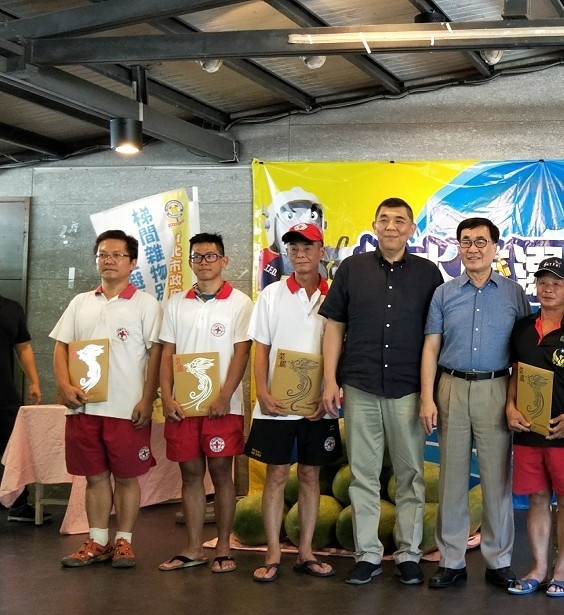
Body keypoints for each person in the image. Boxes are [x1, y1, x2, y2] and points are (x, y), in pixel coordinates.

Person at [320, 198, 443, 585]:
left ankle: (408, 553)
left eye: (400, 220)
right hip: (360, 385)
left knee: (410, 475)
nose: (392, 226)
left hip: (407, 388)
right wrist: (329, 379)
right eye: (385, 219)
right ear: (374, 225)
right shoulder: (352, 269)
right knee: (363, 476)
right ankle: (367, 554)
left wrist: (429, 394)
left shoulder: (428, 274)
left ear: (411, 229)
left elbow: (435, 337)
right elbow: (334, 326)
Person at [420, 217, 531, 589]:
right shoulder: (444, 293)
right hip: (450, 386)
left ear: (495, 247)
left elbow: (525, 352)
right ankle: (451, 560)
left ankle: (498, 560)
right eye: (465, 241)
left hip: (497, 389)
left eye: (481, 241)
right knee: (451, 476)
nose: (472, 248)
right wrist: (427, 397)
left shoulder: (513, 293)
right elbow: (431, 347)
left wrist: (518, 400)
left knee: (497, 478)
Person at [53, 230, 162, 568]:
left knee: (127, 477)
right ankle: (98, 541)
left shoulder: (146, 304)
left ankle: (124, 541)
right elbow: (61, 347)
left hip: (126, 409)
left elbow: (156, 356)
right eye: (102, 254)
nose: (108, 260)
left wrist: (148, 399)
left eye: (117, 255)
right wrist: (64, 386)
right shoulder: (80, 302)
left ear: (132, 262)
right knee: (94, 477)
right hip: (84, 407)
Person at [245, 222, 344, 582]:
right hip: (276, 405)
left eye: (308, 247)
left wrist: (331, 390)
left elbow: (342, 348)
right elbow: (261, 348)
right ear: (287, 253)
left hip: (318, 404)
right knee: (275, 475)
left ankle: (305, 552)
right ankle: (273, 554)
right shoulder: (271, 295)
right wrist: (262, 392)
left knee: (309, 475)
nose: (300, 254)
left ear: (322, 252)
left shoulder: (335, 295)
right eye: (294, 248)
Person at [157, 233, 252, 574]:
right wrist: (166, 395)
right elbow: (167, 352)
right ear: (191, 262)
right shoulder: (175, 303)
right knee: (191, 474)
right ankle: (193, 547)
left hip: (222, 407)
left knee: (222, 474)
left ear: (224, 261)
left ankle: (223, 547)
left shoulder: (239, 302)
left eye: (211, 256)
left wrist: (225, 395)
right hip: (184, 407)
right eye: (197, 257)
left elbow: (242, 352)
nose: (204, 262)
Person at [505, 257, 564, 598]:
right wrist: (510, 407)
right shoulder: (522, 328)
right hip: (528, 431)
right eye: (543, 282)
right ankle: (539, 568)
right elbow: (516, 374)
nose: (549, 289)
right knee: (537, 499)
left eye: (557, 283)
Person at [1, 292, 42, 523]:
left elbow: (23, 347)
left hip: (5, 393)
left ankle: (18, 504)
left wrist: (34, 381)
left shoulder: (12, 308)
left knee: (14, 448)